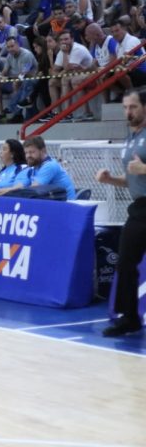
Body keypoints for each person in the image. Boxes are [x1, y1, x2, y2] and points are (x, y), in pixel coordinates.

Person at [95, 90, 146, 337]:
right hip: (140, 208)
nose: (128, 112)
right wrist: (111, 180)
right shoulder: (130, 138)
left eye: (133, 107)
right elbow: (132, 180)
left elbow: (141, 171)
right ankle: (129, 317)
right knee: (125, 261)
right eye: (125, 107)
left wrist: (144, 168)